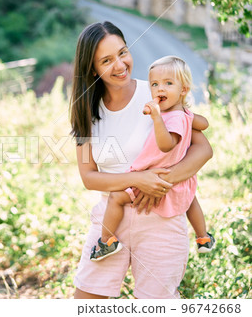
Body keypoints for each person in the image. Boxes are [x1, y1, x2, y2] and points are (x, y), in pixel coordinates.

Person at [70, 22, 213, 299]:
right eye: (106, 60)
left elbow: (203, 149)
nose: (120, 64)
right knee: (85, 302)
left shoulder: (159, 92)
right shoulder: (86, 110)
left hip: (161, 216)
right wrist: (137, 180)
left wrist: (160, 181)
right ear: (92, 68)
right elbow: (89, 177)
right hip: (111, 218)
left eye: (123, 52)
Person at [89, 56, 215, 262]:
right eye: (155, 84)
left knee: (116, 197)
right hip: (176, 177)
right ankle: (203, 237)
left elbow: (166, 144)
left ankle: (106, 241)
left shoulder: (170, 117)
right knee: (190, 199)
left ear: (183, 89)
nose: (159, 89)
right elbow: (204, 123)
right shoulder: (183, 114)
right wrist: (189, 115)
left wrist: (157, 118)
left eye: (168, 83)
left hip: (153, 174)